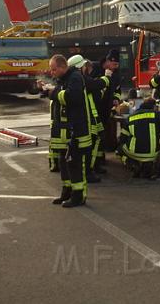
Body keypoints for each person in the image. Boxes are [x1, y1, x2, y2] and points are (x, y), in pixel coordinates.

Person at [47, 55, 91, 208]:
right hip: (65, 131)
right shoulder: (64, 80)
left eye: (54, 69)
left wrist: (54, 93)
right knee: (64, 163)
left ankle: (78, 196)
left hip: (77, 131)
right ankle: (66, 191)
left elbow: (73, 97)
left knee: (75, 164)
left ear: (62, 67)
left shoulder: (75, 78)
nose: (51, 72)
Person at [68, 55, 110, 182]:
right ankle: (88, 171)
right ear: (80, 67)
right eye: (85, 66)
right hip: (86, 118)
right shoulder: (79, 78)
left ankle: (94, 166)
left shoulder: (75, 78)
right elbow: (96, 84)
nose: (86, 68)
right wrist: (107, 77)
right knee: (88, 146)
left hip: (90, 117)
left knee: (95, 141)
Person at [117, 96, 160, 178]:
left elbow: (123, 138)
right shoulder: (157, 115)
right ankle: (152, 164)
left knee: (119, 150)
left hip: (134, 153)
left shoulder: (130, 117)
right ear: (153, 107)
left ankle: (130, 163)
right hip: (153, 154)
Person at [90, 49, 123, 157]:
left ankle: (100, 158)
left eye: (117, 64)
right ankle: (93, 159)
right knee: (94, 135)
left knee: (102, 136)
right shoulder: (95, 68)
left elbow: (118, 90)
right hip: (94, 108)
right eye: (114, 64)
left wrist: (116, 99)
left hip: (106, 108)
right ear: (107, 61)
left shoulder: (116, 74)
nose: (116, 67)